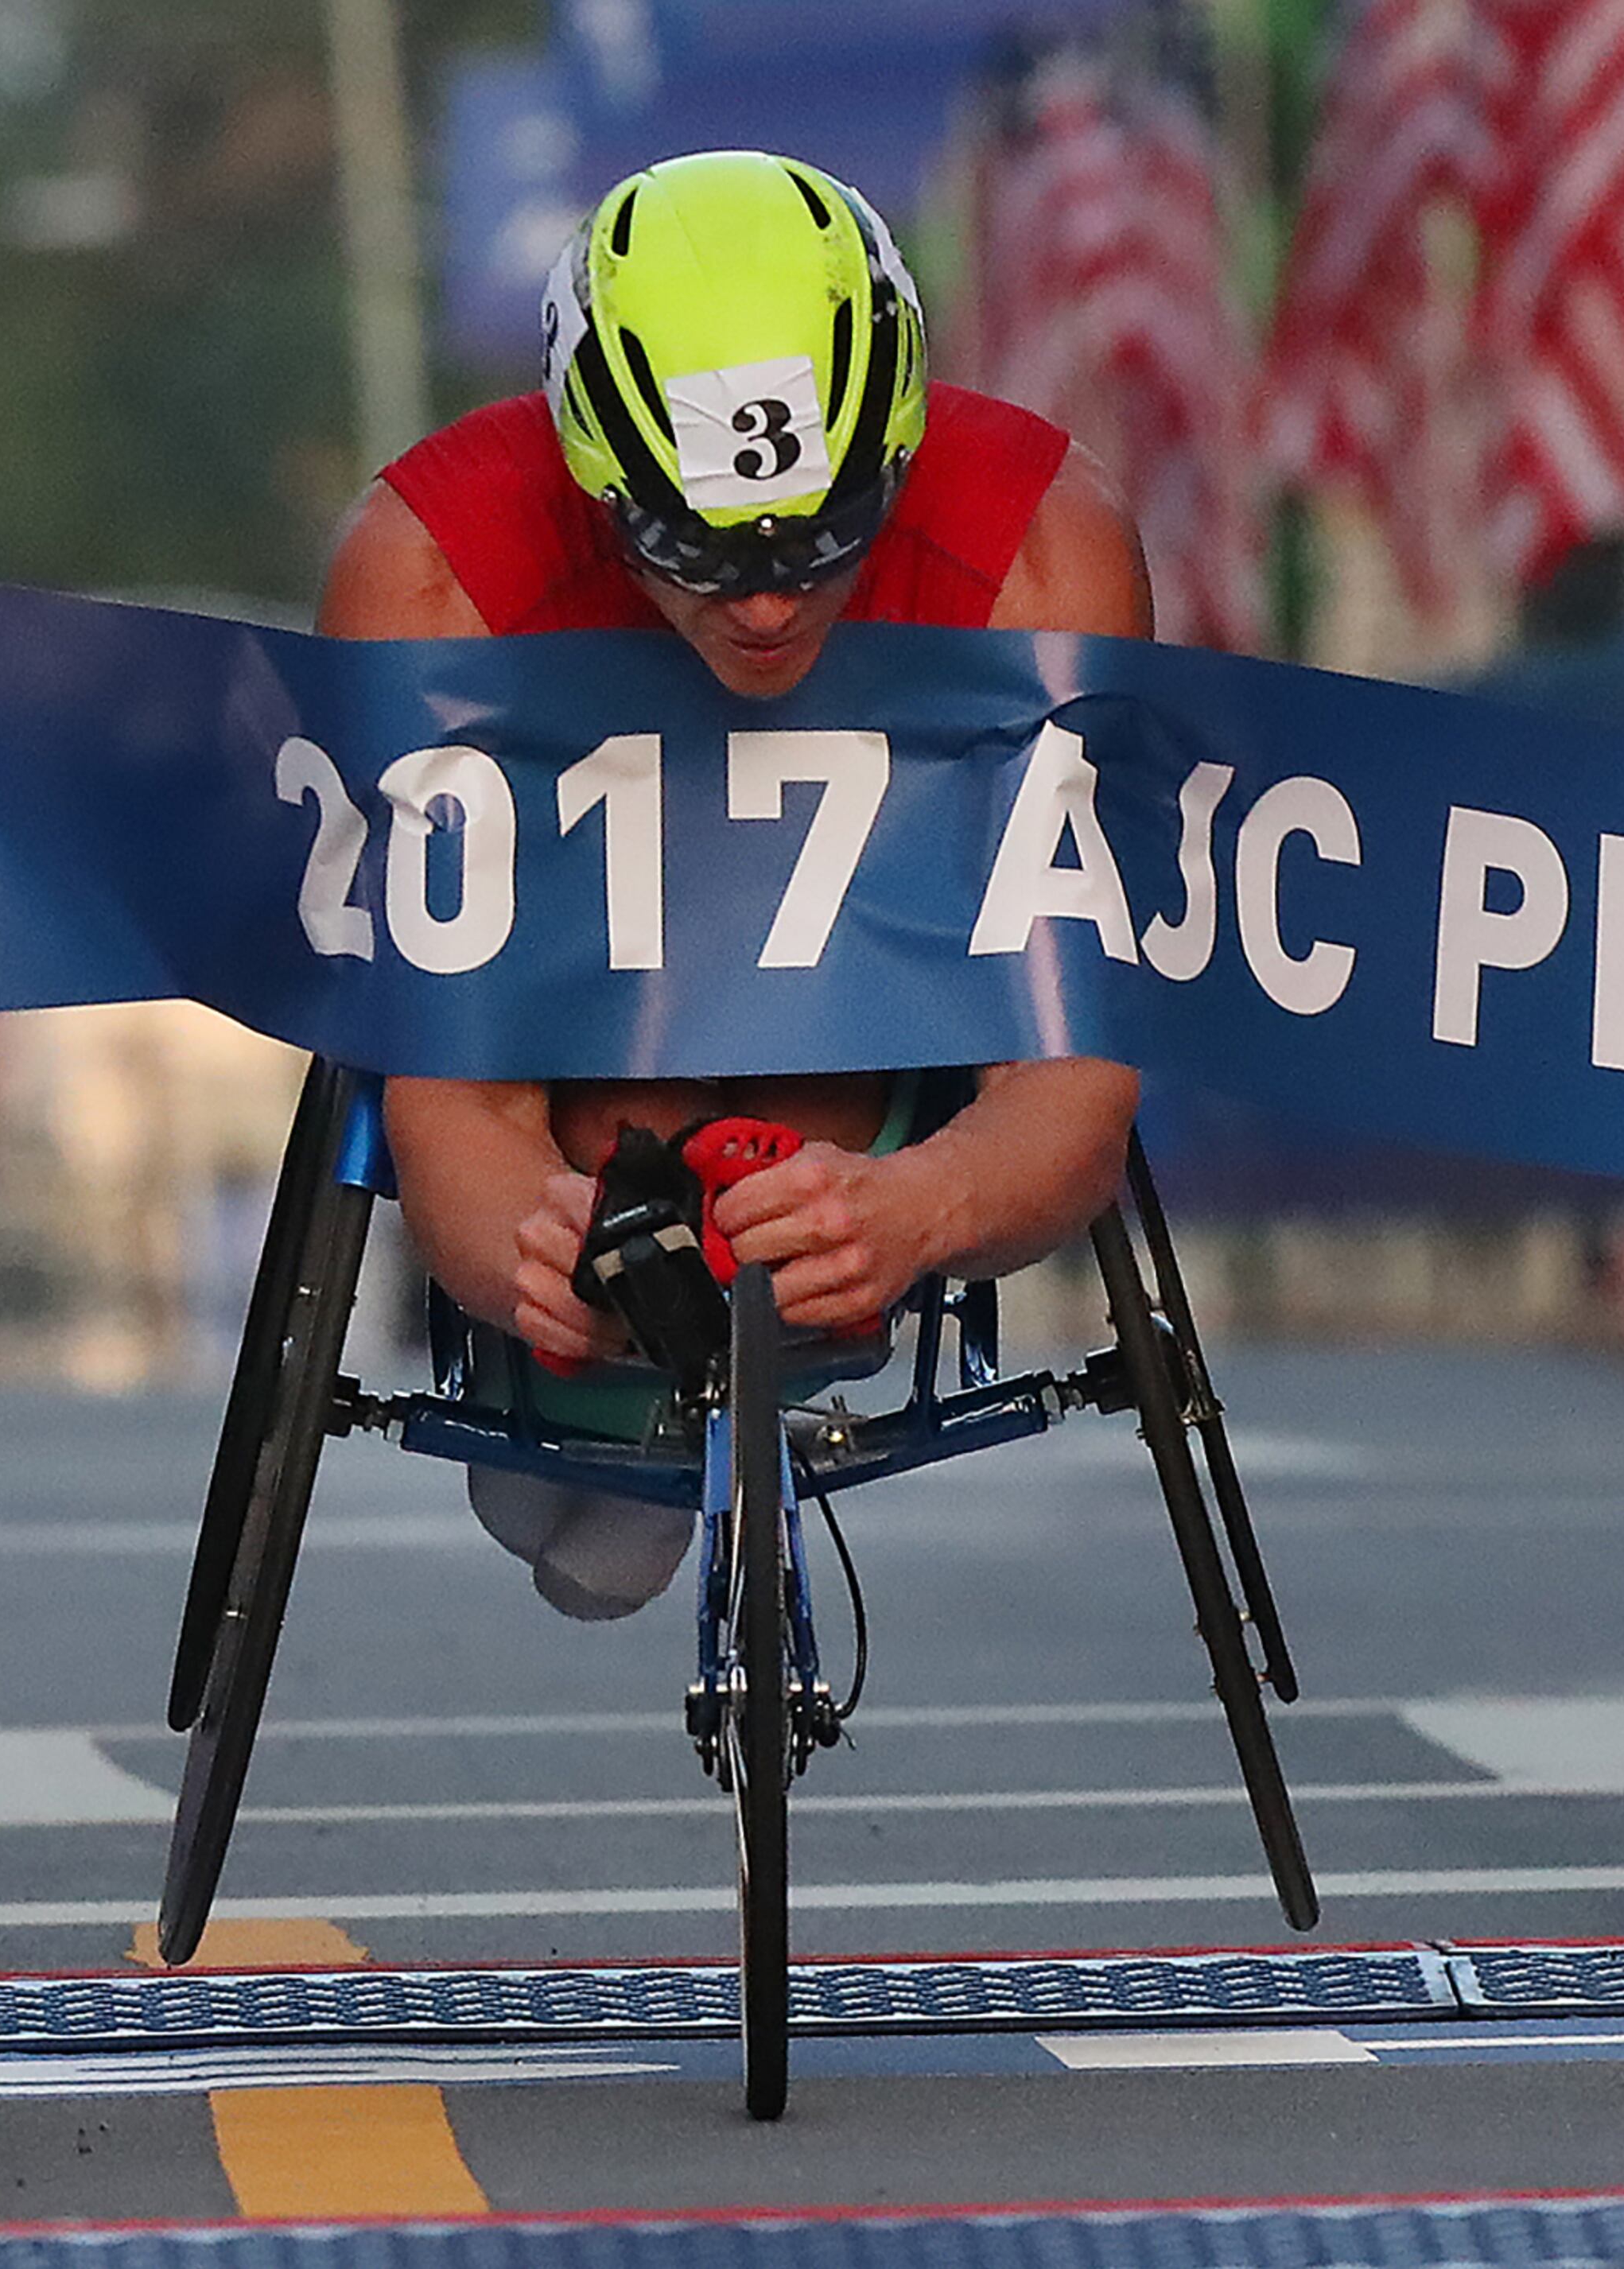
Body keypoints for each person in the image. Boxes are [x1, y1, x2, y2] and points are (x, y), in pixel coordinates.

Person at [317, 148, 1150, 1618]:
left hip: (878, 1061)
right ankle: (610, 1365)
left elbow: (1075, 1077)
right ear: (592, 478)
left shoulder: (1044, 543)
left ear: (898, 459)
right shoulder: (426, 570)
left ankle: (754, 1279)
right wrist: (522, 1230)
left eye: (826, 546)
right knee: (583, 1532)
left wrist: (921, 1204)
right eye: (694, 556)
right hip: (573, 1066)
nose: (766, 606)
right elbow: (444, 1090)